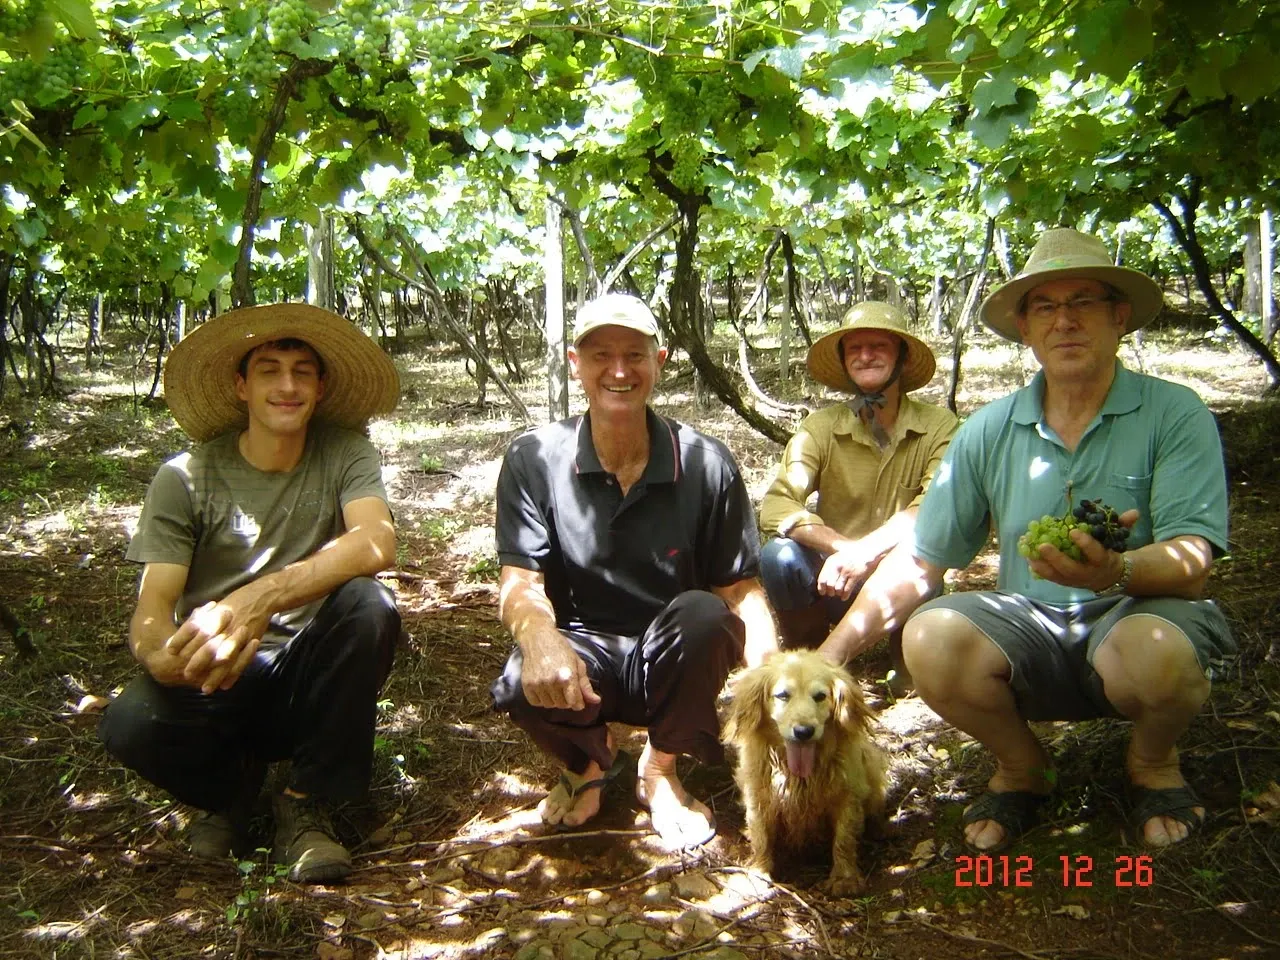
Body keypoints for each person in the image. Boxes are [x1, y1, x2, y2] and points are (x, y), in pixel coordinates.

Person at [826, 228, 1236, 852]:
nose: (1064, 320)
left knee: (1158, 650)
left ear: (1119, 315)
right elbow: (921, 557)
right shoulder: (990, 428)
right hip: (1032, 628)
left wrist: (1114, 574)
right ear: (1024, 326)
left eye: (1084, 302)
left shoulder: (1174, 413)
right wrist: (831, 654)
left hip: (1134, 618)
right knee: (931, 633)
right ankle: (1023, 768)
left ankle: (1153, 763)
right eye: (1045, 306)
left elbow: (1192, 561)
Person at [98, 303, 403, 883]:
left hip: (304, 671)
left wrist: (261, 596)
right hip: (220, 669)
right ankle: (230, 793)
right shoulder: (186, 477)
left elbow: (376, 543)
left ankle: (305, 799)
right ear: (241, 386)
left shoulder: (345, 452)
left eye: (302, 371)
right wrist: (160, 656)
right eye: (269, 369)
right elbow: (153, 606)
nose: (287, 386)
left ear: (320, 386)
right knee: (129, 724)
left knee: (370, 605)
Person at [490, 293, 778, 848]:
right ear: (576, 365)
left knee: (704, 614)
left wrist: (773, 674)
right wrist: (540, 637)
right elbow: (520, 582)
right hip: (582, 660)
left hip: (672, 661)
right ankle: (588, 766)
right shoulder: (534, 459)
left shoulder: (704, 462)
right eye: (600, 355)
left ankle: (661, 767)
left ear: (660, 361)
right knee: (519, 678)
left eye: (635, 355)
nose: (618, 371)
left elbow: (740, 589)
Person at [758, 302, 957, 673]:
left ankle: (904, 659)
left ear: (901, 356)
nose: (866, 356)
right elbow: (778, 505)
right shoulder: (820, 427)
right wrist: (844, 549)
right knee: (779, 557)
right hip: (834, 580)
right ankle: (809, 659)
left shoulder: (939, 427)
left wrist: (869, 551)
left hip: (907, 580)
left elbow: (935, 505)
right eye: (854, 348)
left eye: (879, 346)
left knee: (911, 674)